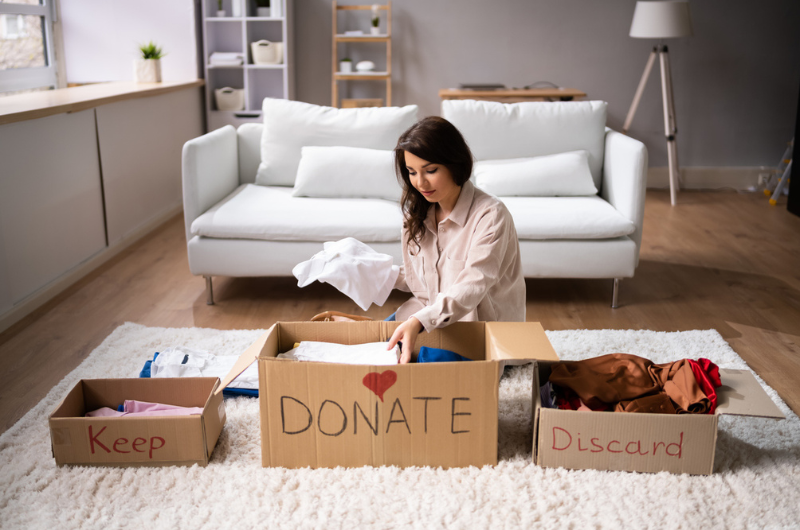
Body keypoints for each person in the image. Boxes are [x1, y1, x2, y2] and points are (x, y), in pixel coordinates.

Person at [386, 116, 526, 363]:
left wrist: (419, 321)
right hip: (432, 315)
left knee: (415, 362)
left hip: (477, 330)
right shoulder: (417, 213)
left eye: (430, 171)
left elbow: (472, 286)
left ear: (456, 164)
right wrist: (372, 272)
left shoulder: (491, 215)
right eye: (411, 172)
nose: (420, 183)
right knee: (376, 343)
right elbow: (421, 280)